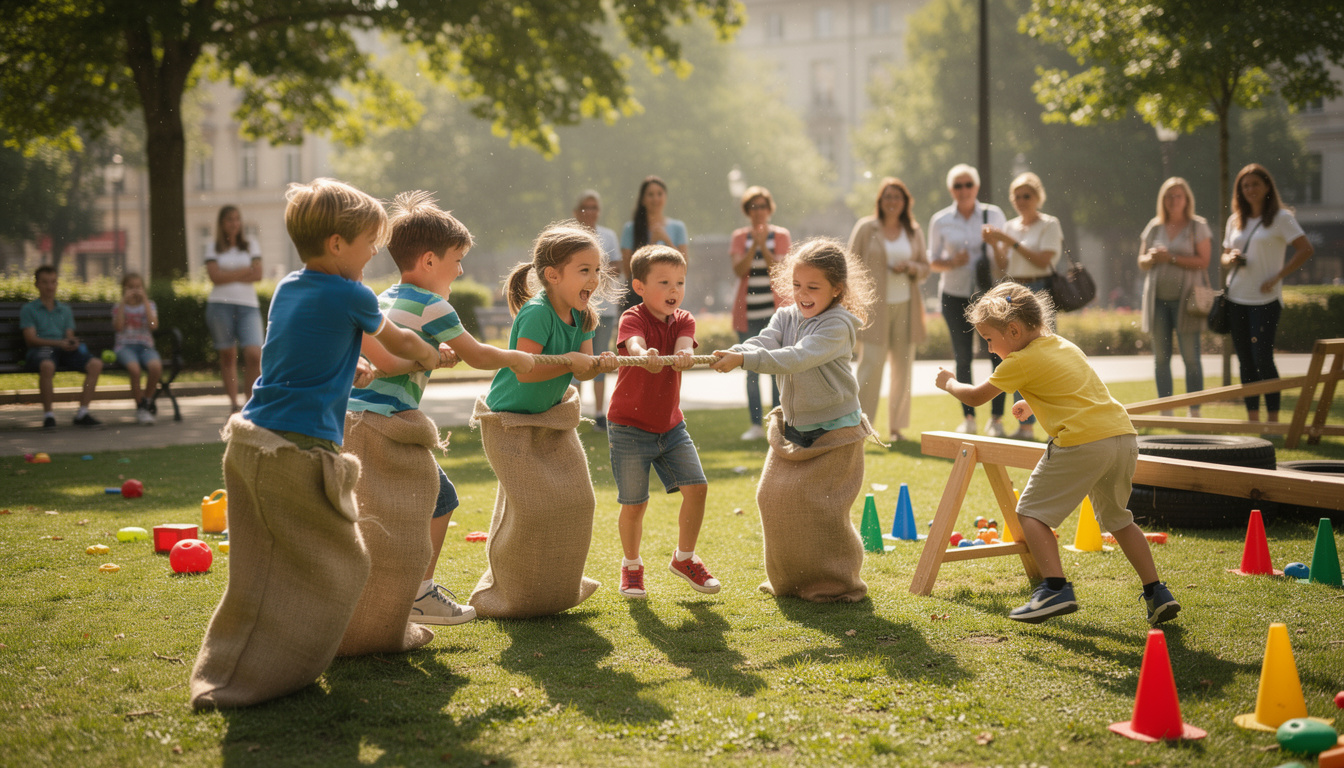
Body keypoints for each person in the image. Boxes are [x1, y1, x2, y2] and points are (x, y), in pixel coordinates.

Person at [190, 178, 441, 710]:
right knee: (344, 564)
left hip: (252, 440)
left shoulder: (289, 287)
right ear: (335, 244)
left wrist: (355, 369)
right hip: (297, 451)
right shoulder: (351, 293)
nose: (375, 251)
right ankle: (276, 674)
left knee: (261, 571)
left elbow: (303, 355)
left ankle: (230, 673)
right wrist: (431, 355)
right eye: (370, 242)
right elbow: (400, 344)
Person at [934, 282, 1180, 626]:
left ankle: (1055, 588)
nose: (989, 349)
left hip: (1083, 443)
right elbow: (1074, 390)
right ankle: (1157, 591)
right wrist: (1029, 402)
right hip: (1121, 438)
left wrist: (948, 382)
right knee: (1119, 519)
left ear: (1014, 330)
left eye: (990, 339)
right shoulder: (1062, 345)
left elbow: (975, 396)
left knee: (1031, 514)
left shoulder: (1018, 360)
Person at [348, 191, 534, 627]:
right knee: (440, 497)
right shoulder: (434, 305)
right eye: (456, 258)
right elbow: (476, 353)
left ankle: (364, 590)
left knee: (367, 509)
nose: (461, 268)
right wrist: (514, 358)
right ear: (429, 261)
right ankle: (418, 594)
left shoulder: (384, 298)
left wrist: (432, 356)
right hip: (388, 422)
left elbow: (392, 356)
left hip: (351, 418)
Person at [608, 245, 719, 599]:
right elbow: (636, 345)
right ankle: (632, 567)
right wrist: (644, 356)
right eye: (665, 282)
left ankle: (684, 558)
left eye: (680, 282)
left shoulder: (684, 319)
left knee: (697, 488)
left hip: (671, 427)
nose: (674, 290)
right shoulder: (633, 317)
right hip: (628, 428)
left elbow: (685, 344)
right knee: (634, 504)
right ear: (639, 286)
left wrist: (683, 355)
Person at [711, 237, 875, 448]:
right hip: (796, 424)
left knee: (827, 483)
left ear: (837, 289)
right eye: (796, 285)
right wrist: (733, 352)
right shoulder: (785, 316)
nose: (802, 294)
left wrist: (743, 359)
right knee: (777, 483)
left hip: (837, 426)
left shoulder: (837, 325)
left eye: (813, 287)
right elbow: (764, 342)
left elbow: (797, 357)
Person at [486, 222, 619, 414]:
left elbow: (582, 371)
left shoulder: (584, 314)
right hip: (507, 415)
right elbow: (525, 372)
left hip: (547, 414)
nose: (594, 279)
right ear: (553, 275)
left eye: (597, 270)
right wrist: (569, 362)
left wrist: (599, 365)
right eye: (584, 270)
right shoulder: (538, 313)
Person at [1221, 163, 1314, 424]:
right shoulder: (1235, 220)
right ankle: (1253, 420)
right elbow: (1225, 254)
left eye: (1255, 184)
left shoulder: (1282, 218)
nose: (1250, 189)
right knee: (1245, 360)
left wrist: (1278, 276)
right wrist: (1231, 258)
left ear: (1267, 187)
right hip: (1237, 297)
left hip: (1267, 299)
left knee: (1263, 358)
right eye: (1245, 185)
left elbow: (1305, 249)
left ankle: (1273, 421)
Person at [980, 172, 1064, 440]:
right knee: (1011, 354)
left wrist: (1009, 241)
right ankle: (1019, 422)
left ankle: (1042, 422)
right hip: (1012, 293)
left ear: (1038, 197)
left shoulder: (1050, 224)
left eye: (1026, 195)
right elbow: (1003, 266)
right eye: (1016, 196)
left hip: (1038, 291)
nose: (1021, 201)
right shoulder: (1012, 226)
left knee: (1040, 356)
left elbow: (1042, 261)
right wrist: (996, 245)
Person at [928, 164, 1007, 436]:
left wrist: (995, 241)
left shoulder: (993, 213)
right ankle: (969, 418)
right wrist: (951, 262)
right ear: (951, 190)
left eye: (968, 185)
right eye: (958, 186)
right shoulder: (940, 220)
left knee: (998, 355)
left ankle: (996, 419)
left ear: (976, 187)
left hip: (989, 296)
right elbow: (932, 261)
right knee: (962, 357)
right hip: (954, 294)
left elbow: (1005, 258)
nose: (964, 190)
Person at [848, 177, 929, 443]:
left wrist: (911, 267)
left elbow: (925, 267)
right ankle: (859, 426)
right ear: (880, 201)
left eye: (897, 197)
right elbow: (851, 265)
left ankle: (896, 429)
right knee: (870, 367)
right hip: (874, 310)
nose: (892, 201)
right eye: (887, 197)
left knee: (902, 369)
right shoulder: (866, 228)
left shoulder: (914, 231)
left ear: (905, 201)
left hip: (906, 306)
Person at [1137, 177, 1213, 418]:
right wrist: (1151, 258)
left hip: (1187, 301)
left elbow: (1204, 261)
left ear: (1186, 199)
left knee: (1191, 356)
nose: (1173, 200)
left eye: (1178, 195)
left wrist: (1170, 258)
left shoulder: (1197, 226)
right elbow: (1141, 262)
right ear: (1163, 200)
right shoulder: (1154, 226)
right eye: (1169, 196)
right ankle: (1166, 410)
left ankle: (1195, 410)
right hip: (1157, 300)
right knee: (1161, 358)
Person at [730, 185, 790, 441]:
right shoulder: (739, 237)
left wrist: (763, 246)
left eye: (763, 206)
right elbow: (738, 270)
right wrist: (753, 242)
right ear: (747, 211)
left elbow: (779, 270)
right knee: (751, 368)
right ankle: (756, 425)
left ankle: (779, 422)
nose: (759, 211)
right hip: (748, 314)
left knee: (777, 368)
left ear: (769, 209)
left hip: (776, 315)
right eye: (753, 207)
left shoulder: (780, 235)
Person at [20, 265, 104, 428]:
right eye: (45, 282)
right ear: (36, 284)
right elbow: (31, 340)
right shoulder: (29, 309)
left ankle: (82, 413)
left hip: (63, 349)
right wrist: (59, 343)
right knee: (47, 365)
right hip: (41, 350)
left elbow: (69, 335)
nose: (50, 286)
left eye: (53, 282)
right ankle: (49, 416)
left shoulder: (64, 310)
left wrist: (72, 343)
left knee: (96, 364)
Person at [205, 205, 264, 413]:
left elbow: (258, 274)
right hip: (220, 305)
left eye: (237, 219)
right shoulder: (212, 247)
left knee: (254, 353)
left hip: (249, 306)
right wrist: (243, 271)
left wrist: (227, 274)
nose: (234, 223)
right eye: (230, 219)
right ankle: (233, 405)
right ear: (222, 223)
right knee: (228, 355)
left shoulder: (251, 245)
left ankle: (251, 403)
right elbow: (215, 277)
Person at [573, 190, 622, 432]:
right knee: (577, 360)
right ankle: (575, 412)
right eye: (585, 207)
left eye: (594, 207)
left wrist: (589, 269)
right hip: (576, 307)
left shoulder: (608, 235)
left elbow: (616, 267)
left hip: (604, 307)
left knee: (601, 360)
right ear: (577, 211)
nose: (589, 212)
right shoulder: (571, 236)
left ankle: (601, 413)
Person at [620, 176, 688, 315]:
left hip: (668, 298)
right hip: (638, 298)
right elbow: (628, 271)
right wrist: (651, 242)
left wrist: (666, 240)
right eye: (650, 194)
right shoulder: (630, 228)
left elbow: (684, 267)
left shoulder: (678, 227)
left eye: (659, 194)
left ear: (665, 197)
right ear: (643, 199)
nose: (655, 198)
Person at [113, 273, 162, 425]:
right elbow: (118, 327)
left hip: (145, 346)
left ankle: (145, 401)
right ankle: (141, 406)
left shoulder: (150, 305)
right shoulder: (118, 307)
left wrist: (145, 301)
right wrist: (123, 302)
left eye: (138, 287)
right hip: (125, 347)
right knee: (134, 370)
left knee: (155, 367)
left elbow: (153, 326)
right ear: (124, 289)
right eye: (131, 287)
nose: (135, 290)